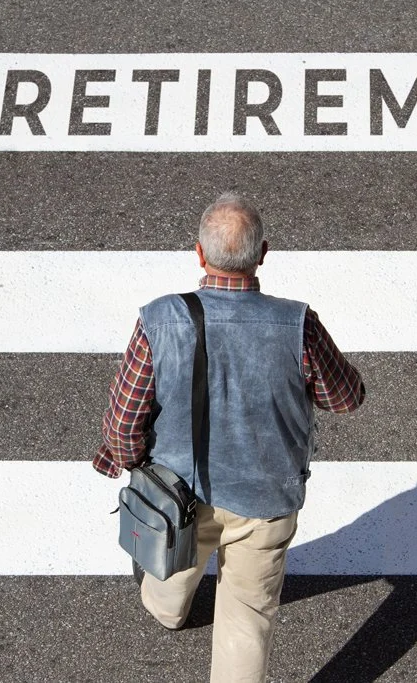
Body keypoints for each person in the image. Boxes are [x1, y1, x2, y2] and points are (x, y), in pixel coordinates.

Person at [92, 192, 365, 682]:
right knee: (246, 618)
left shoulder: (160, 320)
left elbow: (124, 416)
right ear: (263, 254)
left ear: (199, 254)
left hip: (177, 491)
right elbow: (344, 397)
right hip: (265, 495)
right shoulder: (297, 324)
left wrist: (127, 459)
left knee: (171, 566)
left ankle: (169, 610)